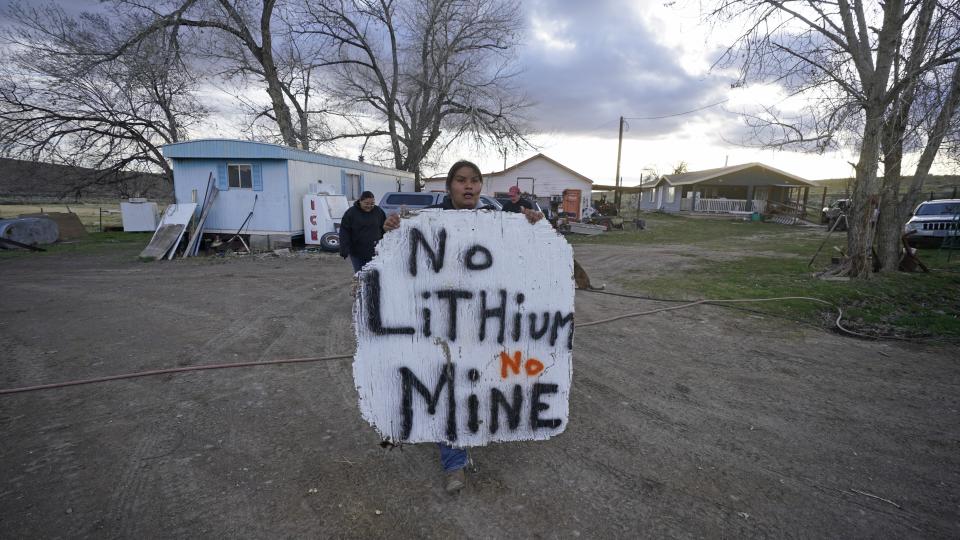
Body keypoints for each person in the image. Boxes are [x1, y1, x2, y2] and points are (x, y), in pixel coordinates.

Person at [383, 160, 541, 494]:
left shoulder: (499, 224)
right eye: (460, 181)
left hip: (485, 325)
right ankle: (454, 463)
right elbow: (399, 268)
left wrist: (535, 229)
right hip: (440, 326)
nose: (468, 187)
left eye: (474, 181)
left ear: (481, 186)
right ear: (449, 187)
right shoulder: (424, 224)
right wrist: (392, 234)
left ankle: (466, 439)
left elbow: (526, 263)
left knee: (477, 386)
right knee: (445, 392)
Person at [339, 191, 387, 273]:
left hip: (375, 251)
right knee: (360, 275)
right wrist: (344, 248)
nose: (369, 206)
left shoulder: (378, 211)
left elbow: (384, 228)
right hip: (357, 252)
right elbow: (344, 231)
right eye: (366, 203)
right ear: (360, 201)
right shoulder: (351, 213)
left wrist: (385, 244)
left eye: (372, 203)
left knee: (374, 275)